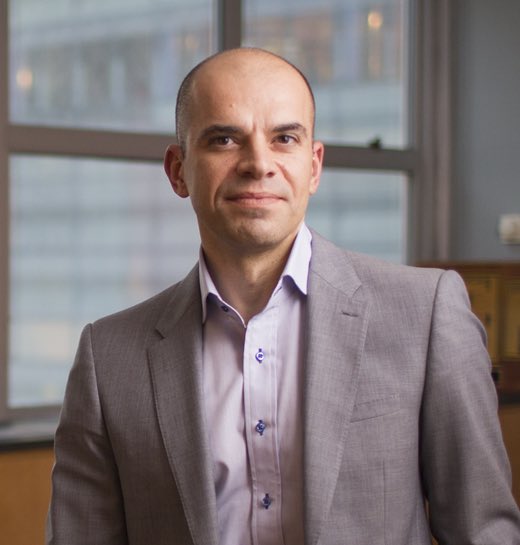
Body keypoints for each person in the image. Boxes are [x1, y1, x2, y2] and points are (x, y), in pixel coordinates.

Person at [46, 47, 520, 545]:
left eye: (285, 138)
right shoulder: (108, 358)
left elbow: (484, 533)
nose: (258, 164)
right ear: (178, 170)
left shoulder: (426, 315)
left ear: (313, 166)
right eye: (225, 139)